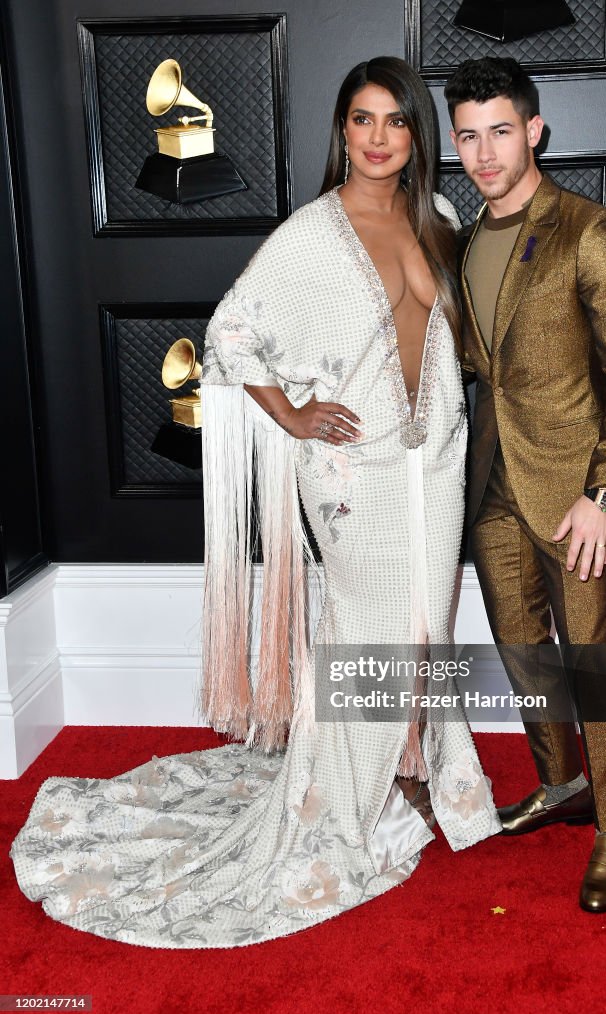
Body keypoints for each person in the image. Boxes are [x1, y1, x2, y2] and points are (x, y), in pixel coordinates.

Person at [9, 57, 500, 949]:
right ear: (341, 131)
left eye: (394, 120)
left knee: (426, 621)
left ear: (414, 134)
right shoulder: (312, 233)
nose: (379, 137)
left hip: (433, 461)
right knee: (369, 627)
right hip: (351, 475)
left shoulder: (440, 220)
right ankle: (338, 806)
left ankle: (412, 766)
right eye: (362, 120)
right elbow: (230, 333)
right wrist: (297, 414)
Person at [444, 57, 606, 912]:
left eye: (501, 130)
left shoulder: (588, 230)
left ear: (534, 130)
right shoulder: (463, 242)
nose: (484, 152)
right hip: (493, 481)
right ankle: (560, 783)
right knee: (521, 648)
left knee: (590, 661)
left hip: (575, 492)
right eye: (468, 134)